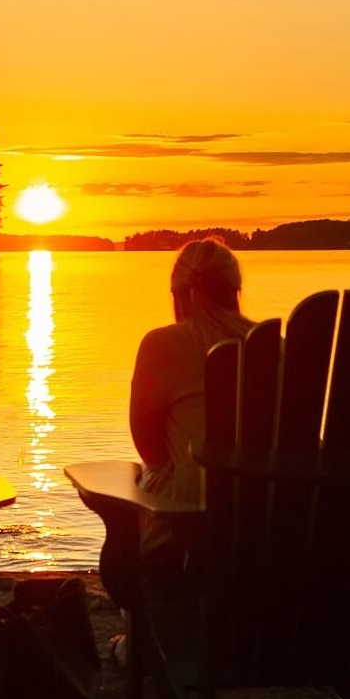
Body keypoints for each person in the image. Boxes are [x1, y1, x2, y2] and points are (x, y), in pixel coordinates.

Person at [129, 238, 258, 560]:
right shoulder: (277, 346)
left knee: (138, 478)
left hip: (188, 526)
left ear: (177, 295)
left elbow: (151, 451)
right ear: (235, 292)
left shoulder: (161, 345)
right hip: (271, 520)